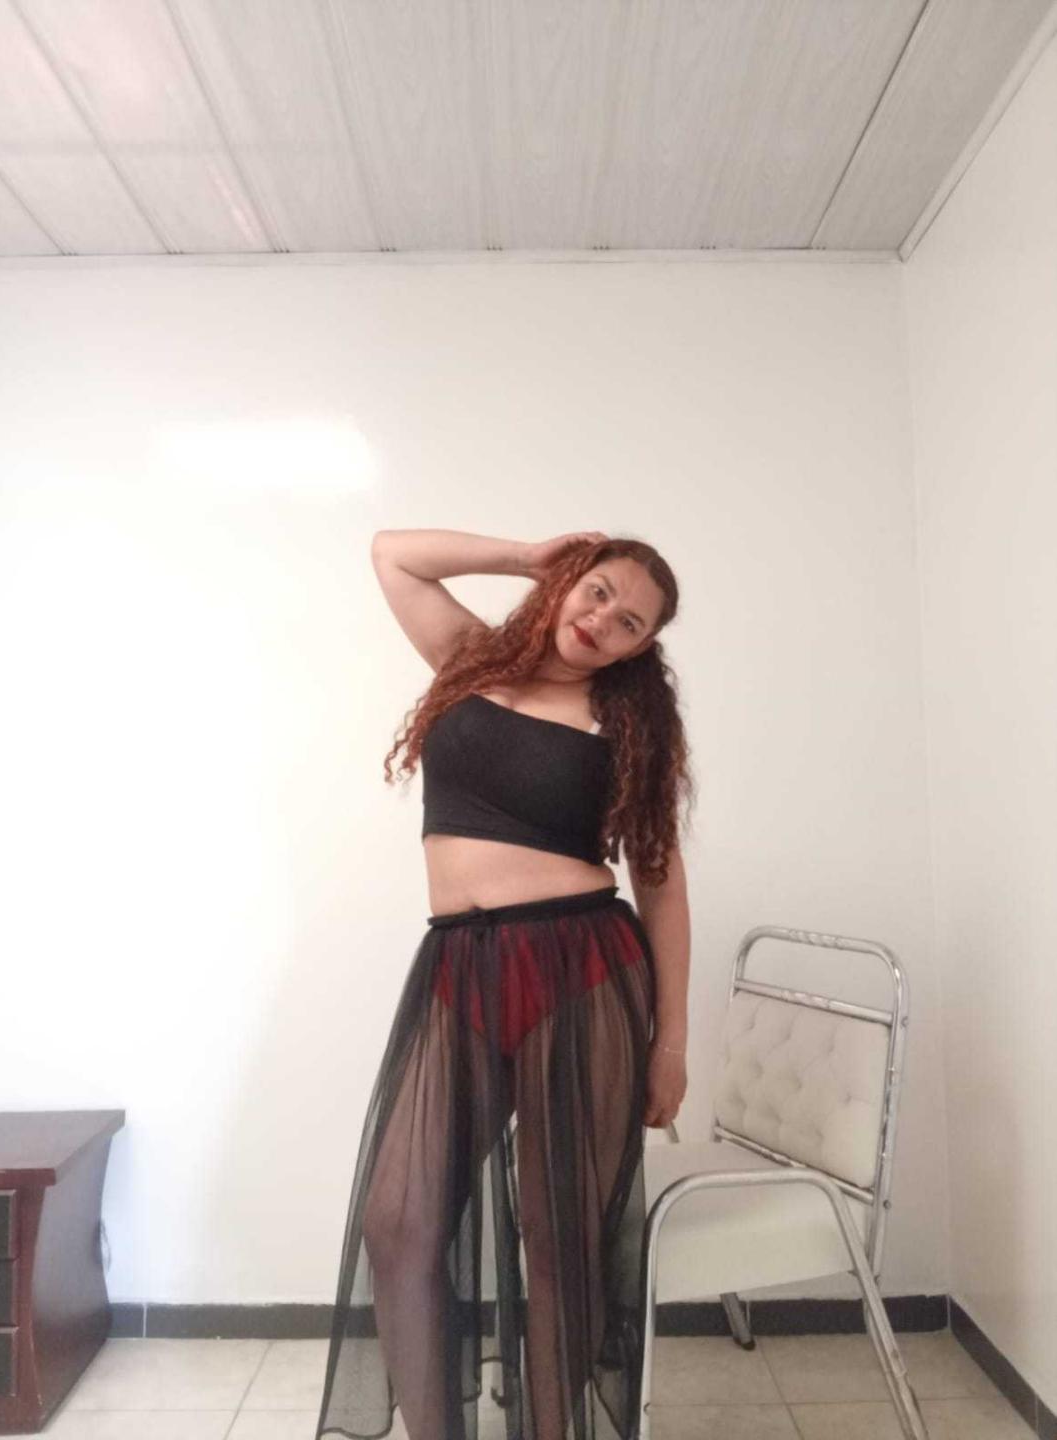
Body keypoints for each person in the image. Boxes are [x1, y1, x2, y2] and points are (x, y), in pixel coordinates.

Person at [315, 528, 693, 1440]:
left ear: (641, 648)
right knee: (399, 1222)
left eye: (630, 622)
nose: (603, 620)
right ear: (568, 582)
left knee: (559, 1243)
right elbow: (394, 555)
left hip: (583, 971)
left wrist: (671, 1041)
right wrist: (530, 556)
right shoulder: (471, 660)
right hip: (462, 966)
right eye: (597, 591)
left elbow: (660, 882)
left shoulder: (626, 724)